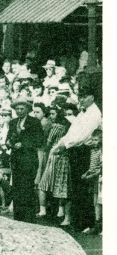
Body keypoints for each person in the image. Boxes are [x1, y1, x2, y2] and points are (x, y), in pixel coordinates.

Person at [50, 88, 102, 232]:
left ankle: (87, 223)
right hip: (76, 151)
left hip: (85, 152)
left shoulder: (95, 113)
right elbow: (73, 131)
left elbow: (83, 136)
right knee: (77, 188)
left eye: (84, 97)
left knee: (84, 188)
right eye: (80, 97)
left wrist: (64, 145)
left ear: (92, 96)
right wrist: (61, 143)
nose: (81, 100)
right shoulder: (82, 112)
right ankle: (79, 222)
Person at [5, 97, 45, 222]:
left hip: (29, 160)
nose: (19, 111)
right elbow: (8, 138)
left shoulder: (34, 122)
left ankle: (29, 217)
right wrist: (8, 142)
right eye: (17, 109)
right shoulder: (12, 122)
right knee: (16, 187)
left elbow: (39, 140)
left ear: (27, 109)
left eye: (22, 109)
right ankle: (18, 216)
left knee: (27, 187)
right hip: (16, 160)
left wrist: (23, 144)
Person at [36, 106, 71, 221]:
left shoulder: (56, 127)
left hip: (54, 155)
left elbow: (48, 142)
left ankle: (43, 210)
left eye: (53, 114)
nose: (51, 116)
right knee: (59, 184)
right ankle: (60, 210)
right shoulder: (68, 127)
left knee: (43, 184)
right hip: (64, 157)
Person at [80, 128, 102, 235]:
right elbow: (91, 166)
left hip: (97, 178)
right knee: (93, 201)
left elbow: (99, 169)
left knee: (98, 200)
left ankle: (98, 224)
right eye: (92, 140)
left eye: (96, 140)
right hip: (92, 177)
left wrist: (91, 176)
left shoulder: (101, 151)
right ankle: (93, 224)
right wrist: (86, 173)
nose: (94, 142)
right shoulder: (92, 151)